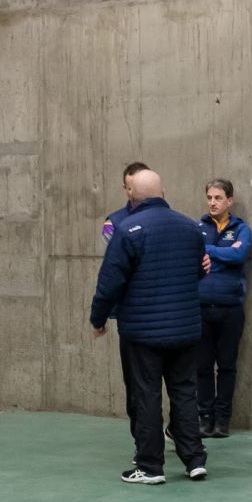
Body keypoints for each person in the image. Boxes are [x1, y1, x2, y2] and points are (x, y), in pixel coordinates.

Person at [89, 170, 209, 484]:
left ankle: (150, 466)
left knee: (146, 395)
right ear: (163, 192)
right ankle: (194, 459)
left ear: (131, 195)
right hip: (185, 329)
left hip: (142, 333)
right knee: (185, 392)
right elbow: (197, 272)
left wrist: (98, 319)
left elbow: (109, 282)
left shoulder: (127, 230)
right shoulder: (190, 228)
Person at [197, 178, 252, 438]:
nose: (212, 202)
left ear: (229, 201)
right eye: (209, 197)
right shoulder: (198, 227)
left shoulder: (241, 229)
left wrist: (210, 253)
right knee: (202, 366)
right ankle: (204, 418)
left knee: (227, 366)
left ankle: (222, 420)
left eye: (218, 198)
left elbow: (238, 256)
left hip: (230, 308)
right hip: (200, 308)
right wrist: (223, 253)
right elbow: (192, 254)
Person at [102, 161, 151, 439]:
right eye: (129, 187)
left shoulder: (166, 218)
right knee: (135, 384)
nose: (133, 193)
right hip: (131, 315)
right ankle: (141, 440)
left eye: (137, 186)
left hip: (162, 312)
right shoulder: (114, 223)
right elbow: (116, 269)